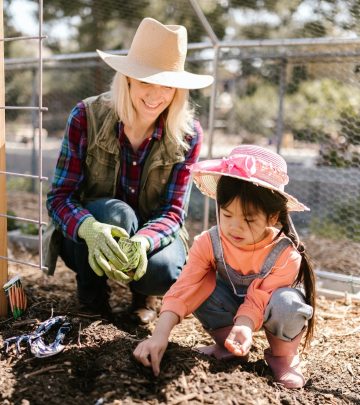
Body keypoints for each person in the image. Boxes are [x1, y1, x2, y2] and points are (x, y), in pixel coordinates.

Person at [43, 17, 214, 323]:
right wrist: (91, 230)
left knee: (164, 271)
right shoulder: (86, 116)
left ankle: (143, 295)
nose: (155, 95)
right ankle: (92, 295)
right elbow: (59, 197)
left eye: (168, 85)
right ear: (128, 79)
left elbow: (174, 212)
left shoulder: (188, 135)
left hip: (149, 235)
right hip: (84, 239)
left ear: (178, 91)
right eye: (146, 81)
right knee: (117, 215)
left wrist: (144, 241)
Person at [133, 145, 316, 389]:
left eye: (249, 219)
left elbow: (260, 297)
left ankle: (282, 357)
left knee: (289, 303)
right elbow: (185, 287)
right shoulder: (209, 242)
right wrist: (159, 336)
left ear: (272, 217)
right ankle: (229, 346)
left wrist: (246, 324)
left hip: (266, 308)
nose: (234, 227)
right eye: (227, 214)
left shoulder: (286, 255)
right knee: (201, 287)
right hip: (228, 311)